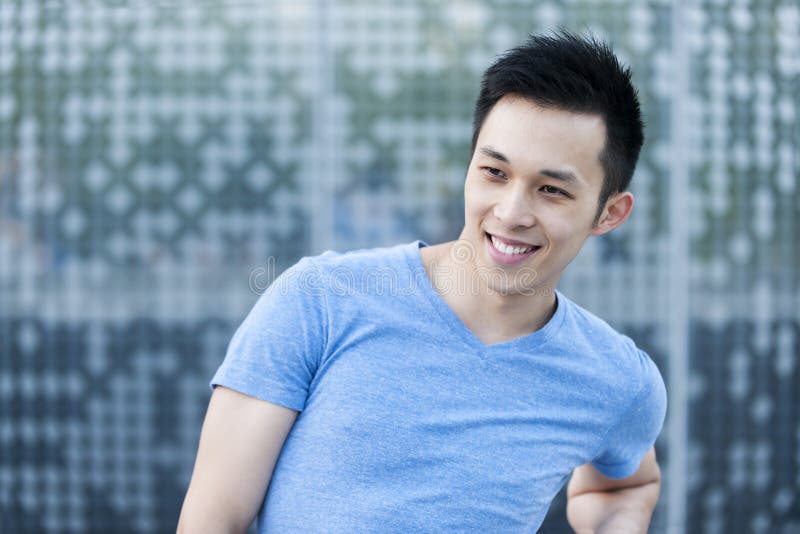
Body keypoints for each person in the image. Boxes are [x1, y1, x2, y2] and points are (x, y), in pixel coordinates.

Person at [177, 30, 667, 533]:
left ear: (609, 214)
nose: (511, 212)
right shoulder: (319, 301)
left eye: (551, 190)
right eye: (495, 173)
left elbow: (627, 484)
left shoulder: (618, 380)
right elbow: (213, 520)